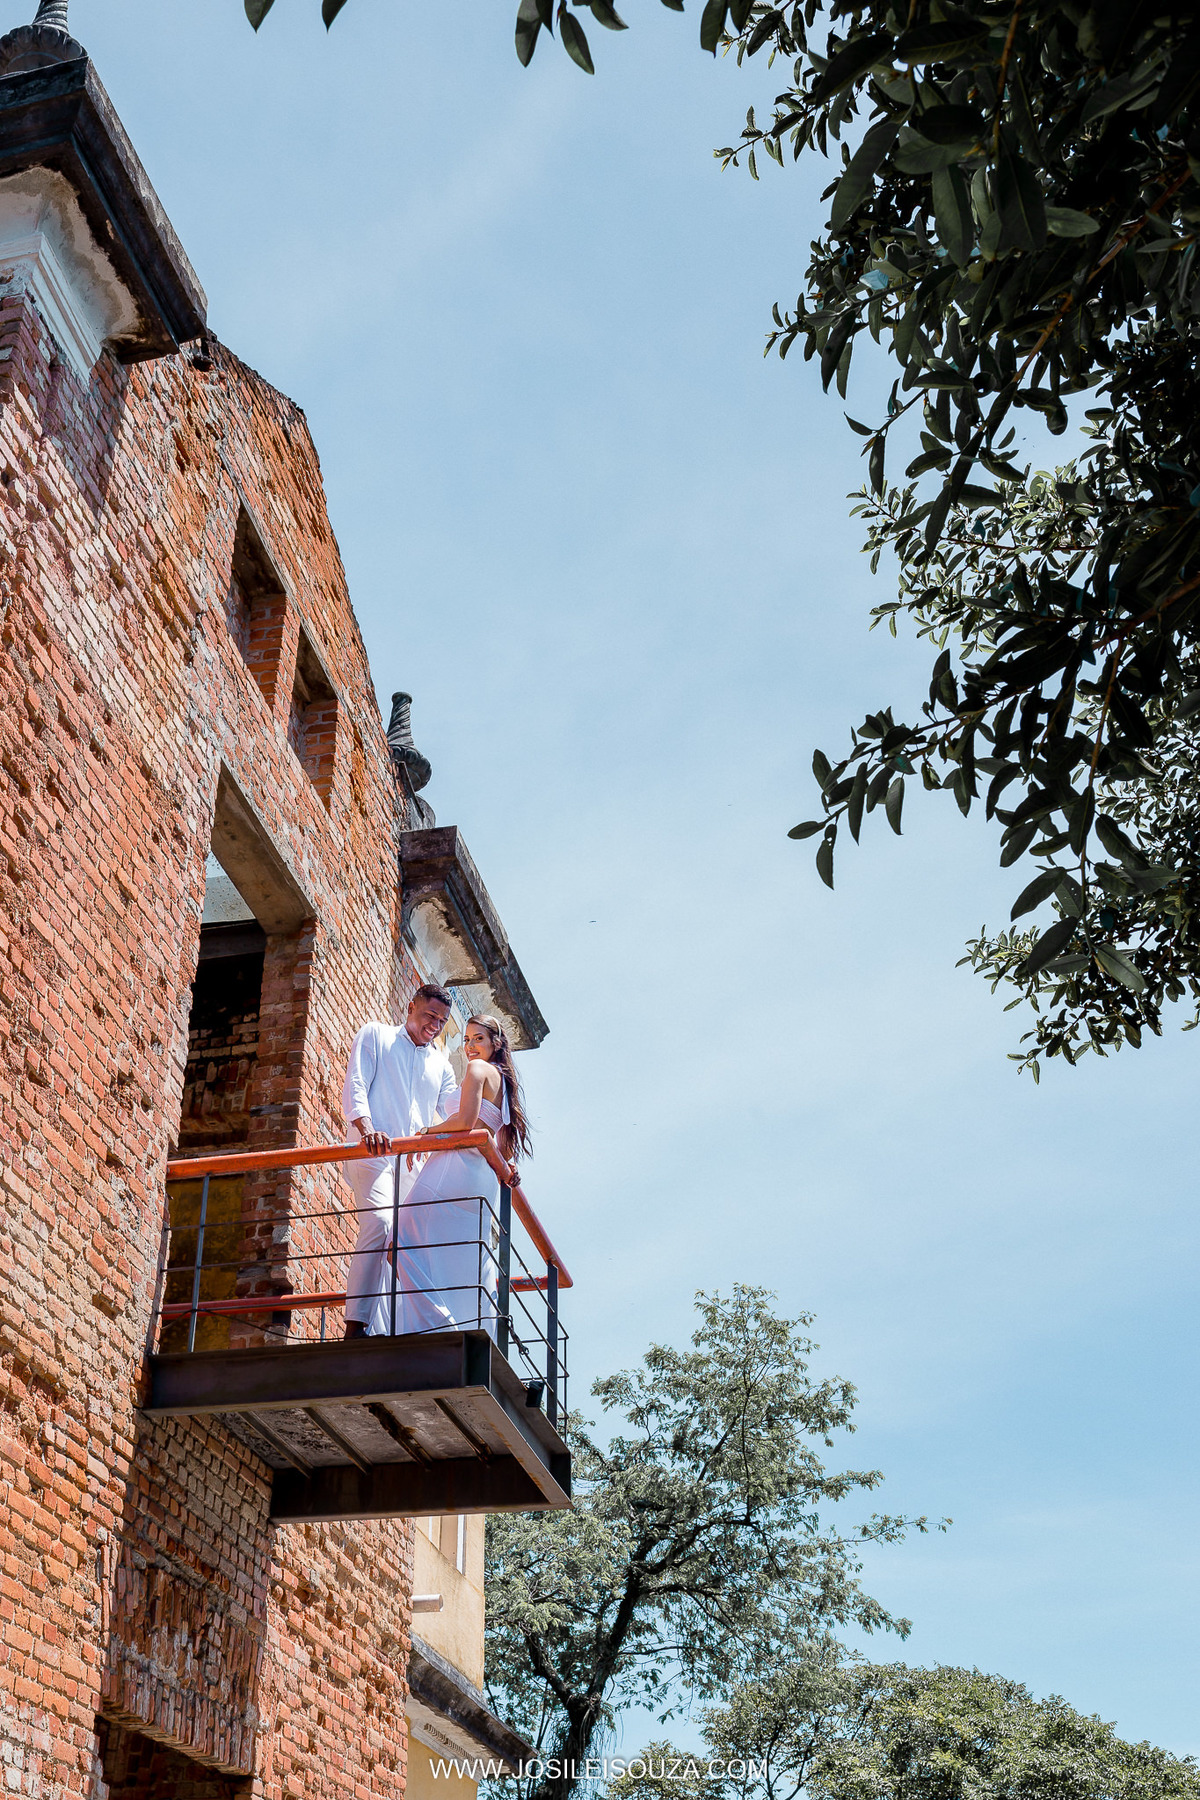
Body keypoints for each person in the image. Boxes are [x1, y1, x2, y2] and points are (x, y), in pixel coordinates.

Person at [366, 1013, 532, 1338]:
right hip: (481, 1178)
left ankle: (437, 1324)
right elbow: (504, 1148)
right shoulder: (505, 1082)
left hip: (453, 1165)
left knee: (399, 1244)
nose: (469, 1046)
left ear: (495, 1042)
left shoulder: (478, 1070)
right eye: (466, 1039)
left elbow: (465, 1122)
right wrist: (506, 1169)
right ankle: (466, 1331)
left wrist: (425, 1132)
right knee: (460, 1256)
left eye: (478, 1038)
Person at [341, 983, 456, 1340]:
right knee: (379, 1222)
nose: (435, 1025)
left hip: (412, 1167)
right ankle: (355, 1325)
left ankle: (400, 1330)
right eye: (430, 1015)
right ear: (411, 1007)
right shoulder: (375, 1035)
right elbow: (356, 1084)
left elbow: (457, 1114)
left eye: (442, 1021)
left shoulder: (441, 1063)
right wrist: (367, 1129)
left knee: (409, 1243)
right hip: (372, 1152)